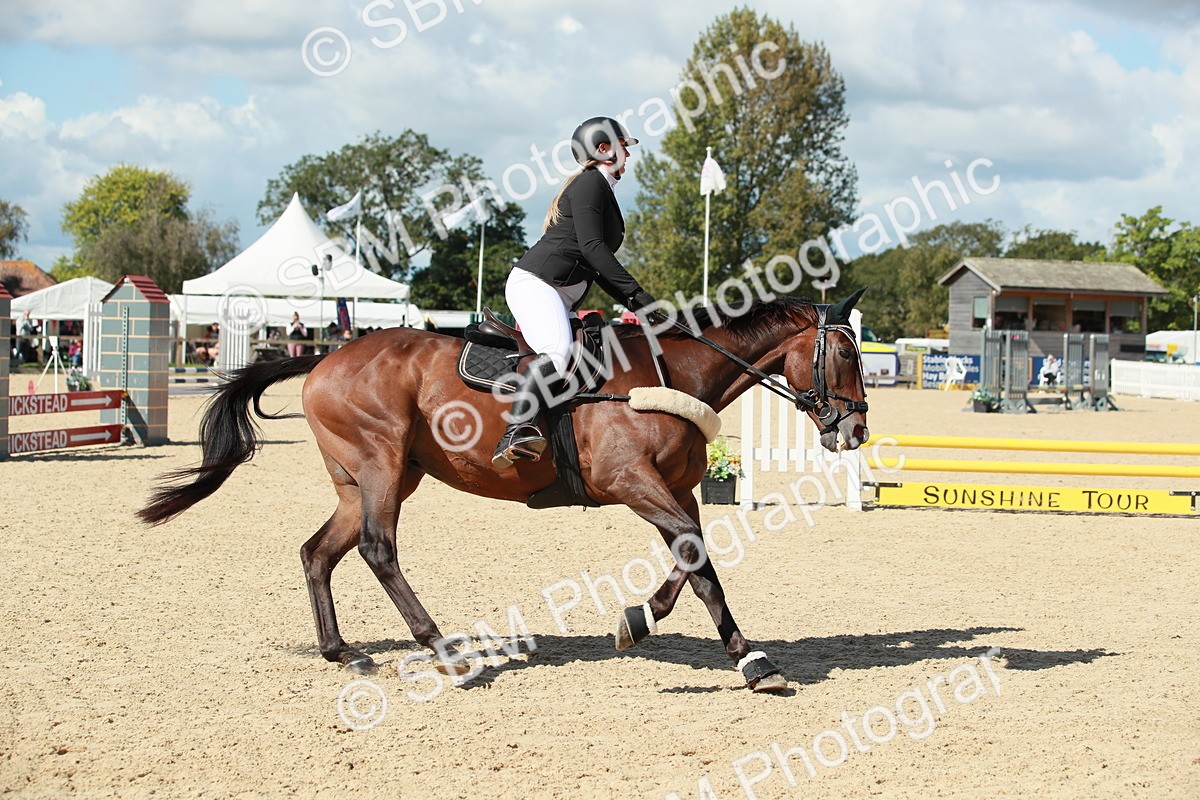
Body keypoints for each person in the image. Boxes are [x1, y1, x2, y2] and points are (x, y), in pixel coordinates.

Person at [491, 116, 658, 469]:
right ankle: (517, 429)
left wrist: (636, 302)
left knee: (593, 350)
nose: (627, 153)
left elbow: (597, 265)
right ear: (604, 149)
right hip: (537, 284)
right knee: (557, 351)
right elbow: (595, 248)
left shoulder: (601, 189)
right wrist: (638, 294)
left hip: (558, 293)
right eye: (623, 146)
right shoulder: (589, 185)